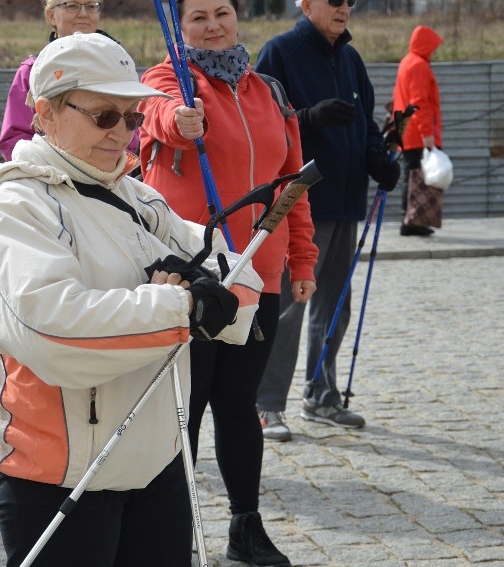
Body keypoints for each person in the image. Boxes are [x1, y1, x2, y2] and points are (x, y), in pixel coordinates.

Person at [0, 32, 262, 566]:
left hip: (157, 461)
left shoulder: (142, 197)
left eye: (131, 118)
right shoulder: (17, 207)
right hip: (60, 473)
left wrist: (204, 295)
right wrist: (185, 307)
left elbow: (241, 277)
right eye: (105, 116)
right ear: (47, 112)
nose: (122, 134)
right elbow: (54, 330)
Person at [139, 1, 317, 565]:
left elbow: (292, 186)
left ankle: (246, 526)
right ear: (180, 25)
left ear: (237, 18)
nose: (213, 25)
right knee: (184, 409)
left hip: (257, 274)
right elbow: (156, 114)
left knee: (237, 405)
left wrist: (302, 260)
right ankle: (178, 531)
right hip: (195, 273)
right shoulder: (168, 76)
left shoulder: (270, 92)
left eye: (222, 12)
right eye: (198, 17)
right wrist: (177, 120)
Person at [254, 0, 400, 435]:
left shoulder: (351, 58)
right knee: (287, 308)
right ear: (307, 4)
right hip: (300, 203)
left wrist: (379, 159)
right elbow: (263, 123)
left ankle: (321, 395)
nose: (344, 8)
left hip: (347, 200)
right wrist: (308, 119)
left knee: (335, 307)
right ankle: (266, 403)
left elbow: (367, 125)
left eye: (349, 1)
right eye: (334, 0)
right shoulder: (281, 52)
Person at [0, 0, 139, 161]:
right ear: (51, 16)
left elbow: (135, 134)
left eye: (91, 6)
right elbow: (15, 138)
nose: (84, 14)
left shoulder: (121, 66)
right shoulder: (32, 71)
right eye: (72, 6)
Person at [393, 25, 444, 237]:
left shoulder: (407, 61)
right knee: (417, 177)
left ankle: (412, 219)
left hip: (407, 131)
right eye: (433, 47)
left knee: (413, 176)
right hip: (417, 134)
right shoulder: (419, 66)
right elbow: (420, 102)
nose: (434, 51)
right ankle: (411, 221)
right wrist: (428, 136)